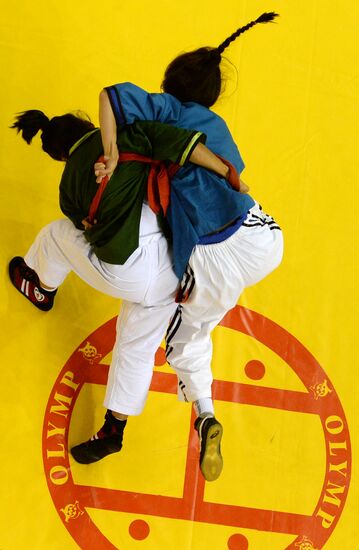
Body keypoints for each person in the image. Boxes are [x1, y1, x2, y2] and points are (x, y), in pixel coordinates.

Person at [94, 12, 283, 481]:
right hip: (262, 234)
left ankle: (205, 413)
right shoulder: (218, 124)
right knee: (201, 319)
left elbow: (110, 97)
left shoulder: (168, 110)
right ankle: (201, 414)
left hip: (214, 256)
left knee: (185, 341)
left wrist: (111, 150)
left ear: (169, 83)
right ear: (213, 96)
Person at [9, 110, 233, 470]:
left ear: (62, 156)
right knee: (136, 345)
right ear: (89, 123)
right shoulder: (130, 134)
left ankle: (40, 287)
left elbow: (83, 226)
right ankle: (114, 426)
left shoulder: (69, 184)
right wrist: (229, 174)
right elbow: (183, 146)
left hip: (127, 270)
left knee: (57, 236)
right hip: (175, 262)